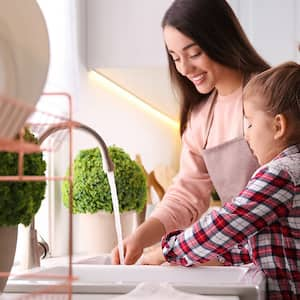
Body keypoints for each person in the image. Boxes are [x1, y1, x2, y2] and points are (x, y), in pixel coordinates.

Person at [112, 0, 269, 265]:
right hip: (245, 257)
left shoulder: (269, 94)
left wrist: (169, 251)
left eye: (193, 53)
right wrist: (141, 236)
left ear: (220, 38)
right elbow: (187, 195)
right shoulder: (200, 117)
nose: (184, 68)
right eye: (175, 58)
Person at [160, 62, 300, 299]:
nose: (247, 135)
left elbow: (228, 222)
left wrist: (170, 249)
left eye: (251, 123)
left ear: (278, 126)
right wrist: (219, 256)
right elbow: (259, 246)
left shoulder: (280, 174)